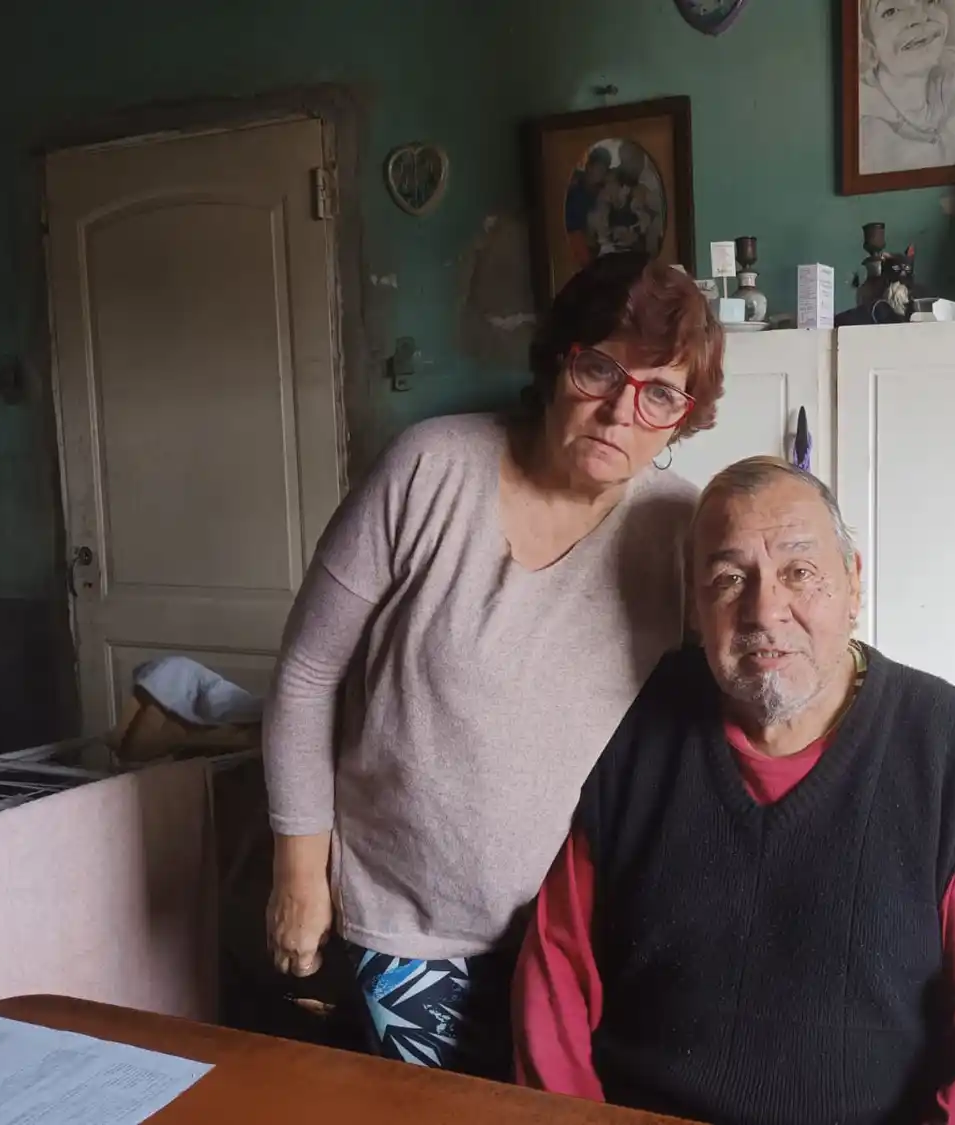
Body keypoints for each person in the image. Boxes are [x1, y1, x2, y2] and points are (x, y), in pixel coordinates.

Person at [261, 251, 725, 1078]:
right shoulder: (429, 468)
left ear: (680, 419)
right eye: (600, 370)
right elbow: (304, 676)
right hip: (411, 926)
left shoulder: (681, 530)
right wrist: (300, 872)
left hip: (587, 937)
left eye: (659, 392)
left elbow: (710, 725)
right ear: (557, 363)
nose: (623, 410)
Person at [514, 457, 955, 1125]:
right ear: (695, 607)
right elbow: (556, 975)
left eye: (800, 572)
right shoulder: (633, 727)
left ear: (854, 586)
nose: (764, 609)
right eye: (728, 577)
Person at [857, 0, 955, 174]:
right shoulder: (863, 128)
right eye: (891, 12)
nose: (920, 16)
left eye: (930, 0)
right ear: (867, 45)